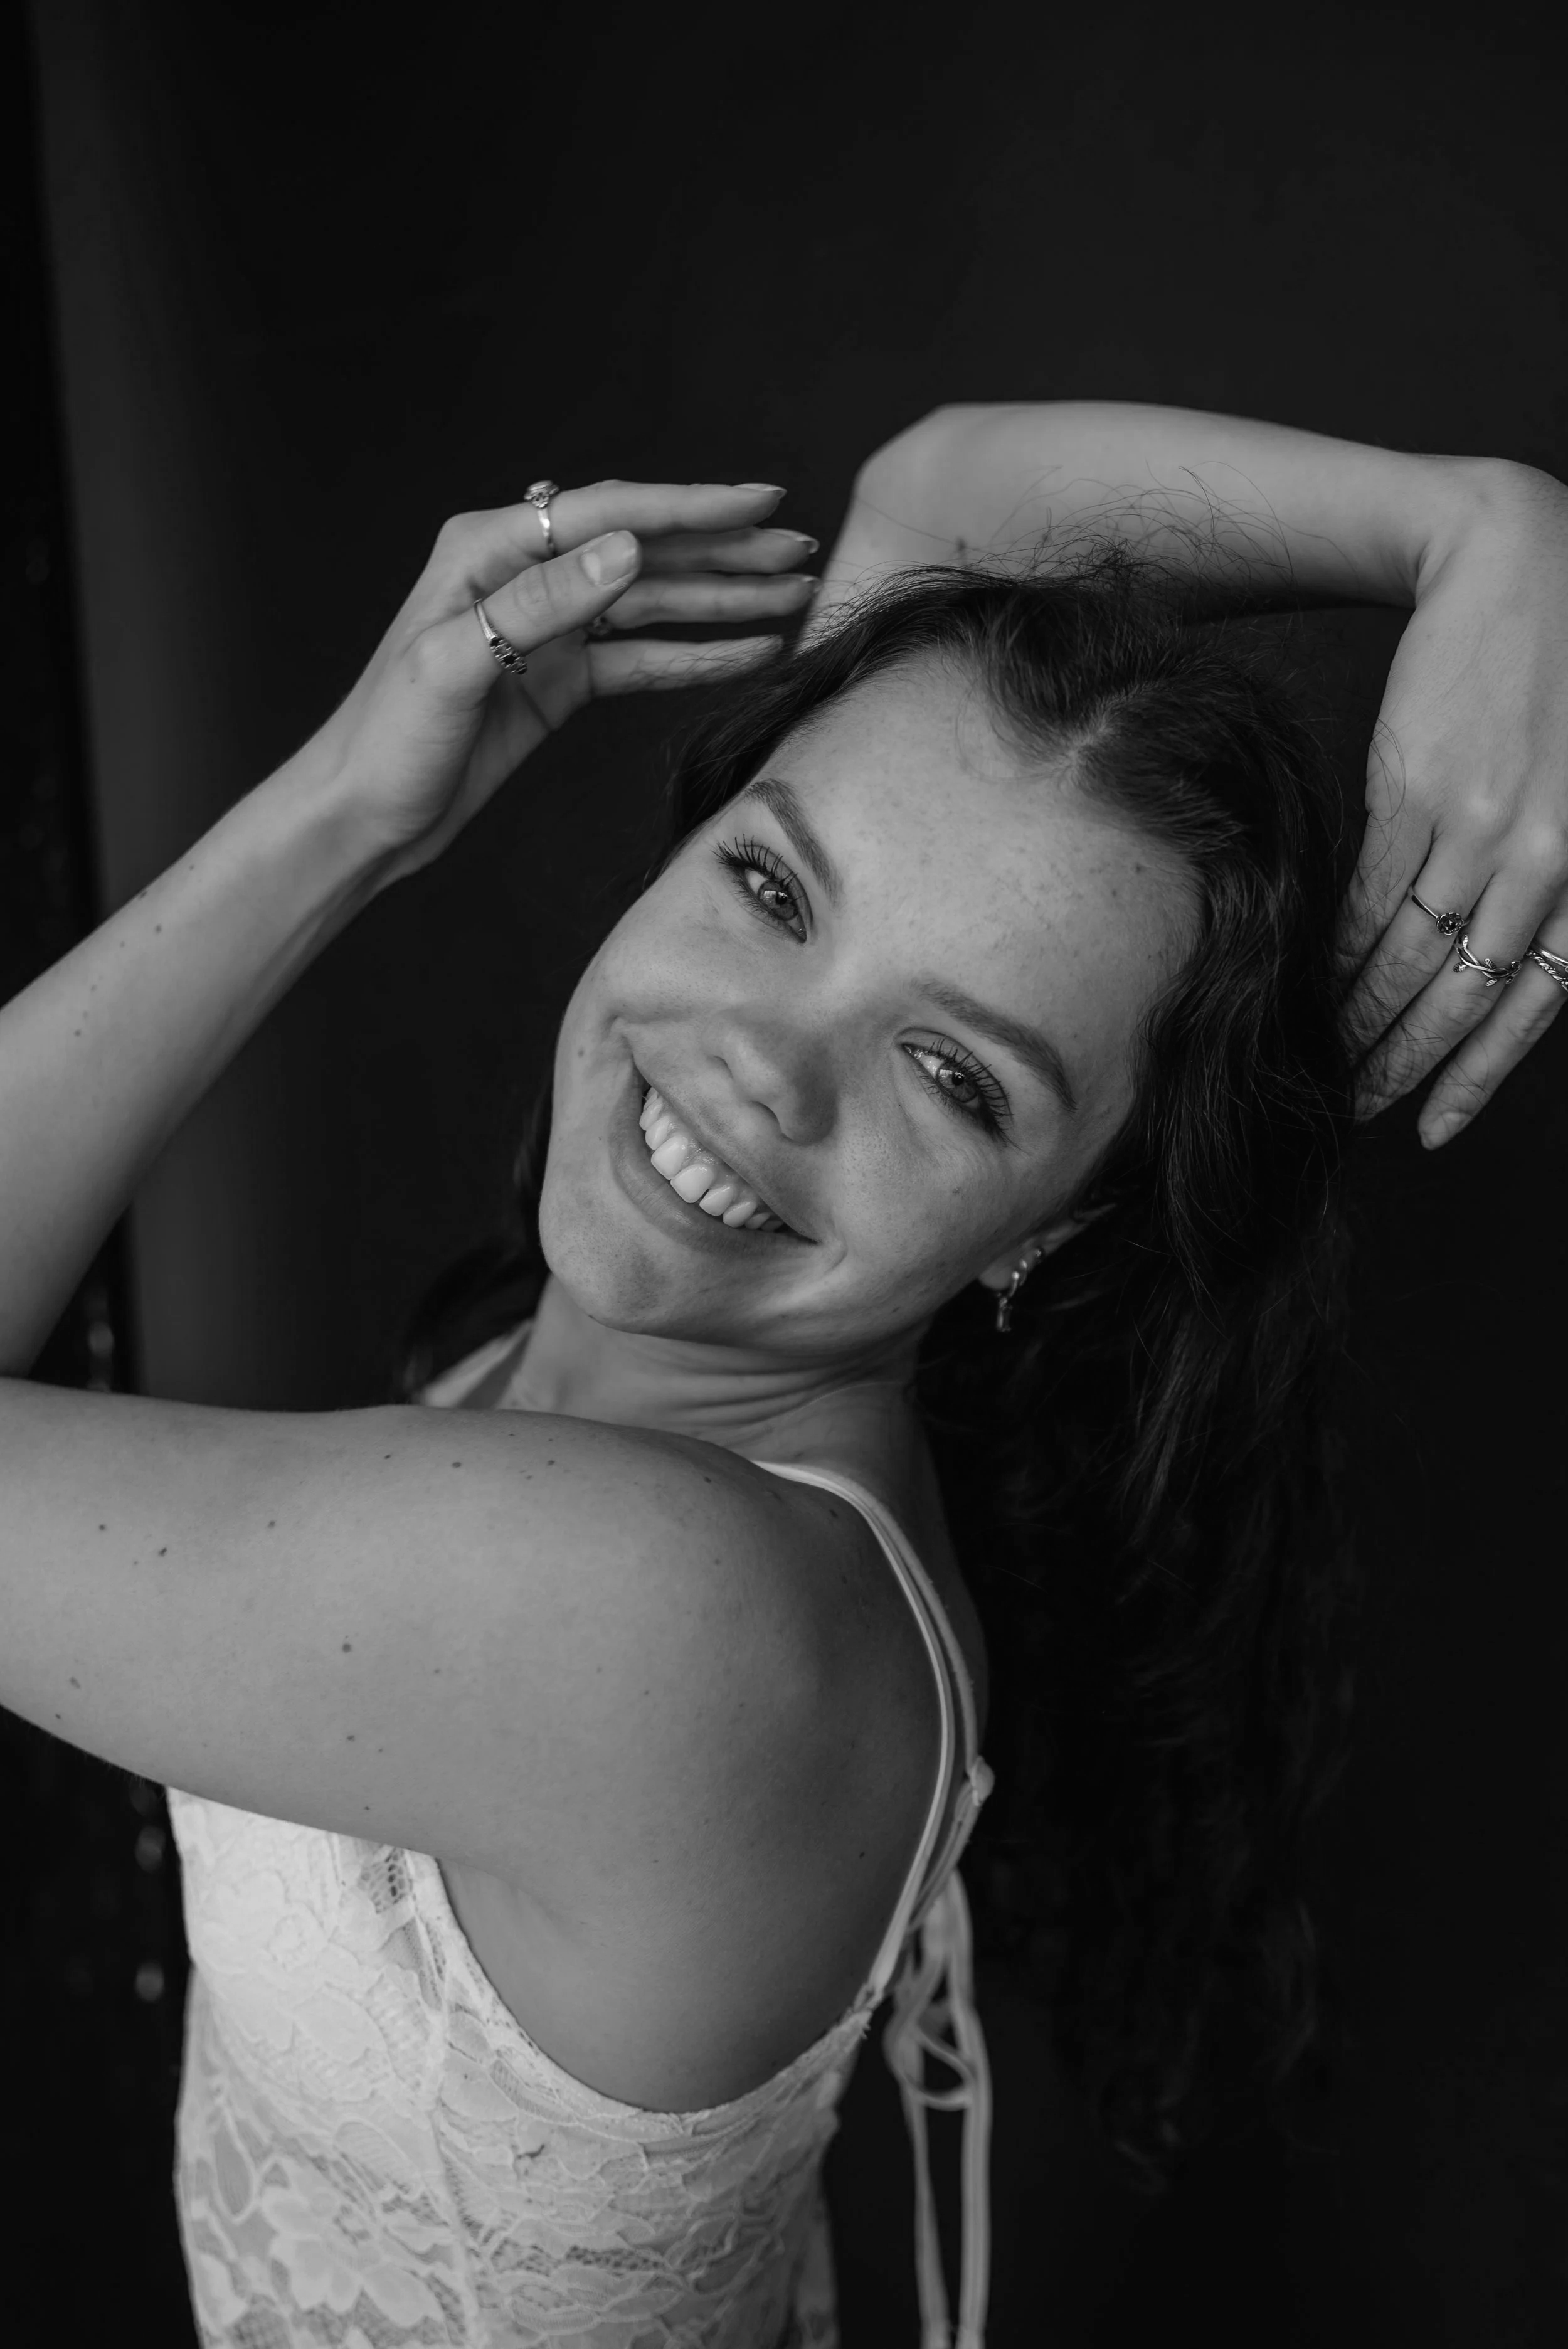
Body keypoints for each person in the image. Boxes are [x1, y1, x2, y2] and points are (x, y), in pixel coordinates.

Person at [1, 413, 1564, 2349]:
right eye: (770, 887)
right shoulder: (715, 1424)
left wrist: (343, 818)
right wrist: (1490, 531)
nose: (762, 1062)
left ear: (1054, 1233)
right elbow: (945, 504)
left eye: (953, 1075)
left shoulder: (657, 1613)